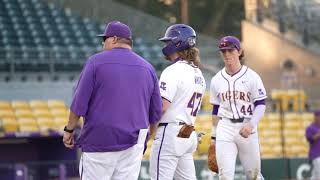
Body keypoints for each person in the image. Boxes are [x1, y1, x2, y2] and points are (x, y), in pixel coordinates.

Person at [62, 21, 162, 180]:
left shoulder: (95, 62)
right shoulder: (148, 67)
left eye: (105, 39)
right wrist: (150, 134)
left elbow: (79, 104)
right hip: (134, 142)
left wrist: (69, 130)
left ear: (114, 39)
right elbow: (156, 111)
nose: (103, 43)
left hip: (100, 141)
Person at [149, 24, 206, 180]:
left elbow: (162, 107)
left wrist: (149, 129)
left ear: (177, 43)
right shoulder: (198, 72)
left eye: (168, 42)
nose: (166, 46)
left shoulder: (173, 70)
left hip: (170, 132)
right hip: (187, 134)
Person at [209, 36, 266, 180]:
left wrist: (252, 124)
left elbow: (261, 104)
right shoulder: (216, 79)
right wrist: (214, 137)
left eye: (230, 50)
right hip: (225, 127)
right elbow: (215, 110)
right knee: (225, 176)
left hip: (246, 125)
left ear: (240, 51)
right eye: (223, 51)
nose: (227, 54)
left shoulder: (252, 77)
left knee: (253, 175)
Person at [306, 110, 320, 180]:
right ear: (316, 117)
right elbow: (309, 139)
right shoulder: (310, 127)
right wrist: (318, 135)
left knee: (315, 176)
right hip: (315, 154)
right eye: (318, 116)